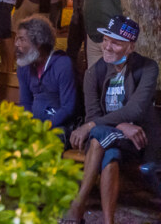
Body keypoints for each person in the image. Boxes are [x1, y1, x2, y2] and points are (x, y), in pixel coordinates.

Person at [63, 16, 159, 224]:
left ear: (130, 47)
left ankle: (78, 204)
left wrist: (91, 126)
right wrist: (121, 125)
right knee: (108, 150)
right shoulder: (93, 73)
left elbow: (137, 109)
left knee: (97, 135)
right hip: (111, 139)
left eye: (116, 42)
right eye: (106, 39)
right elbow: (93, 114)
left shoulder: (148, 68)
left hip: (136, 140)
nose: (107, 46)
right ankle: (109, 222)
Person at [15, 15, 78, 133]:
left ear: (38, 43)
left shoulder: (62, 64)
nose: (17, 44)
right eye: (17, 39)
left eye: (22, 39)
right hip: (35, 126)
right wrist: (28, 126)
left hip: (59, 127)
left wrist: (44, 128)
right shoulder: (24, 65)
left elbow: (68, 108)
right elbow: (25, 102)